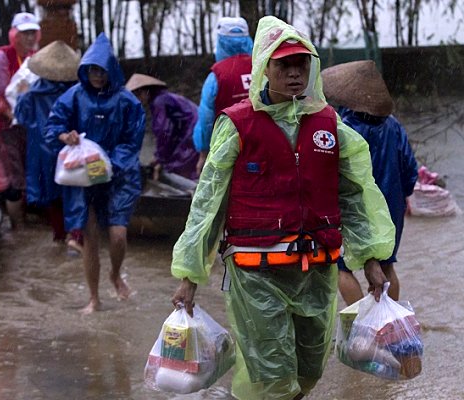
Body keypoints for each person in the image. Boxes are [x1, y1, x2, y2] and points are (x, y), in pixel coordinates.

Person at [170, 16, 396, 400]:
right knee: (274, 376)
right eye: (283, 65)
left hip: (316, 271)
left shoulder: (329, 124)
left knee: (307, 372)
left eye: (300, 64)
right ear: (264, 68)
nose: (294, 74)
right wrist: (190, 275)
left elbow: (355, 197)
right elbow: (208, 205)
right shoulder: (237, 125)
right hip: (256, 274)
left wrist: (371, 259)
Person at [43, 33, 145, 314]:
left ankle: (115, 273)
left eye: (101, 70)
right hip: (83, 179)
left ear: (111, 69)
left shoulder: (127, 102)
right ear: (85, 71)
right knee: (89, 238)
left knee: (118, 236)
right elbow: (52, 128)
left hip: (119, 177)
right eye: (92, 70)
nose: (97, 76)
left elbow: (133, 141)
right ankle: (94, 298)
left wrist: (109, 164)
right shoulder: (73, 96)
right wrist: (66, 136)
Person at [321, 60, 419, 305]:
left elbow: (331, 172)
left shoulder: (343, 127)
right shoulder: (394, 125)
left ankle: (359, 328)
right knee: (386, 265)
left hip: (355, 206)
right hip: (390, 207)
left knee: (344, 268)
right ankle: (388, 325)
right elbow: (410, 170)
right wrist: (400, 197)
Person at [14, 40, 82, 253]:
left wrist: (21, 94)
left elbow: (22, 117)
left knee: (51, 195)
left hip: (42, 150)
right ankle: (76, 237)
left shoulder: (33, 93)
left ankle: (59, 236)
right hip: (70, 146)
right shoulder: (76, 92)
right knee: (74, 191)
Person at [0, 12, 41, 229]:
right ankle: (19, 226)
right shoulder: (1, 58)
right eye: (25, 33)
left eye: (33, 32)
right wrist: (15, 117)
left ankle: (23, 218)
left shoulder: (34, 58)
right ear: (14, 34)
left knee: (23, 170)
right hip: (3, 126)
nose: (29, 37)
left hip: (23, 126)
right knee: (10, 177)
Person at [192, 17, 253, 176]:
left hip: (228, 152)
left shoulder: (216, 76)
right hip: (264, 147)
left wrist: (203, 153)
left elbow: (206, 120)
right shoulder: (265, 68)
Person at [126, 73, 199, 180]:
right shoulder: (164, 98)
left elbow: (164, 132)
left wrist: (160, 158)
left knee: (179, 169)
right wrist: (159, 157)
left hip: (192, 134)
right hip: (194, 133)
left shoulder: (160, 102)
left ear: (146, 91)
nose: (137, 99)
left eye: (138, 94)